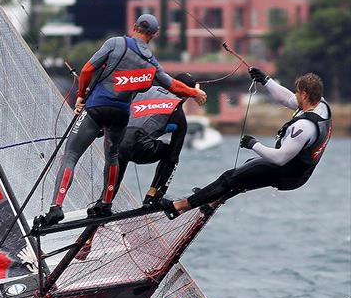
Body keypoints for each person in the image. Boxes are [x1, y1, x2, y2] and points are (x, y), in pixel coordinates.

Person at [43, 14, 207, 225]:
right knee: (112, 156)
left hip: (96, 107)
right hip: (120, 114)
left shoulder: (115, 43)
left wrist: (81, 96)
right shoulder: (151, 63)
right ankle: (106, 204)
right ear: (154, 35)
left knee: (72, 154)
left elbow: (86, 70)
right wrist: (195, 93)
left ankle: (56, 207)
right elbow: (173, 85)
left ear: (134, 27)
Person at [166, 70, 332, 217]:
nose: (294, 96)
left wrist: (253, 144)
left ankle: (179, 206)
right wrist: (266, 80)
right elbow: (287, 99)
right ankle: (213, 200)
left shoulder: (305, 127)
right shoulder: (321, 105)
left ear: (304, 95)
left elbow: (280, 159)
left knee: (230, 177)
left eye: (297, 93)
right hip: (299, 172)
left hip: (286, 173)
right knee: (245, 169)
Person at [115, 72, 199, 208]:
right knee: (170, 153)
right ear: (186, 95)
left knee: (121, 154)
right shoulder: (177, 112)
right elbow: (173, 156)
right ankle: (153, 196)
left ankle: (105, 201)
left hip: (116, 143)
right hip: (139, 149)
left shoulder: (147, 89)